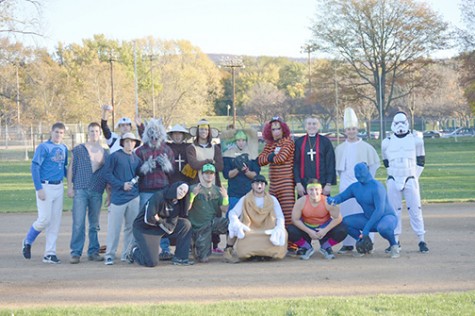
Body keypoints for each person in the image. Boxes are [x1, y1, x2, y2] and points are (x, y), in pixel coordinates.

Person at [327, 162, 400, 259]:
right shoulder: (355, 187)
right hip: (368, 217)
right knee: (345, 222)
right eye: (357, 174)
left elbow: (379, 210)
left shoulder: (377, 187)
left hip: (385, 218)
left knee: (383, 228)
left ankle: (394, 245)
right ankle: (363, 243)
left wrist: (366, 229)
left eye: (362, 173)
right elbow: (342, 196)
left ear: (368, 172)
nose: (359, 176)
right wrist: (333, 199)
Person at [334, 108, 380, 254]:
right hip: (346, 185)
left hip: (363, 186)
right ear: (345, 130)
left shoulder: (366, 147)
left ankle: (368, 243)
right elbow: (338, 168)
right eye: (348, 129)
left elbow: (373, 165)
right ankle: (348, 244)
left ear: (357, 129)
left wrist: (367, 182)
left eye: (353, 129)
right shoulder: (340, 148)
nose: (351, 131)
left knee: (366, 213)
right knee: (346, 215)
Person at [382, 111, 429, 253]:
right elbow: (386, 162)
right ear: (393, 124)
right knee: (394, 210)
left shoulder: (416, 140)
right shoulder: (387, 142)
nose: (400, 126)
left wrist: (414, 176)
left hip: (410, 177)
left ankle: (421, 240)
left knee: (415, 209)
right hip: (393, 178)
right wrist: (394, 175)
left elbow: (421, 160)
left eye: (403, 122)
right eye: (397, 123)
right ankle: (395, 241)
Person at [22, 122, 68, 264]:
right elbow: (35, 167)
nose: (58, 135)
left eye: (61, 133)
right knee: (44, 219)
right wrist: (39, 188)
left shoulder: (64, 148)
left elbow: (63, 169)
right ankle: (28, 240)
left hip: (59, 186)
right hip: (45, 186)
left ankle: (49, 253)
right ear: (51, 132)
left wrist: (74, 180)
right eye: (56, 132)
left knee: (55, 222)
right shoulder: (44, 147)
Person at [67, 122, 108, 264]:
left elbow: (107, 175)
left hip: (97, 190)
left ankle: (93, 251)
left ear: (100, 133)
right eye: (91, 131)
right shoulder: (79, 149)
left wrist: (109, 193)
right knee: (78, 222)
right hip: (81, 188)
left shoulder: (104, 152)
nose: (94, 134)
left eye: (97, 131)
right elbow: (71, 168)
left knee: (94, 224)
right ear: (87, 132)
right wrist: (70, 187)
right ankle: (76, 252)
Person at [127, 182, 194, 267]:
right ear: (175, 187)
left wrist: (159, 219)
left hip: (160, 228)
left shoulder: (177, 204)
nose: (182, 192)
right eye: (180, 189)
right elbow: (149, 219)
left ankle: (180, 258)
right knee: (152, 262)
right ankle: (134, 251)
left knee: (185, 224)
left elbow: (170, 228)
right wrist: (162, 222)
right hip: (145, 229)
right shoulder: (159, 196)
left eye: (184, 192)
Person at [135, 119, 175, 261]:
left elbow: (172, 173)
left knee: (162, 219)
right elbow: (136, 173)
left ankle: (164, 248)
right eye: (151, 137)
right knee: (145, 219)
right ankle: (143, 247)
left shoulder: (167, 150)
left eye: (156, 137)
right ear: (146, 136)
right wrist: (145, 168)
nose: (153, 139)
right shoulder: (140, 151)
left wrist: (167, 166)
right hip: (146, 190)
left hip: (162, 190)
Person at [226, 175, 287, 262]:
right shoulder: (245, 199)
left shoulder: (273, 199)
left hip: (268, 230)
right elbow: (233, 213)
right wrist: (236, 222)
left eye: (262, 183)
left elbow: (280, 216)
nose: (259, 186)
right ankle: (231, 250)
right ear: (252, 185)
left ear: (265, 185)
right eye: (256, 183)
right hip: (250, 230)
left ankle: (266, 254)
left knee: (283, 234)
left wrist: (279, 227)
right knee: (240, 237)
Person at [186, 119, 224, 254]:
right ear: (197, 131)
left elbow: (220, 166)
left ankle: (215, 243)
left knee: (216, 212)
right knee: (197, 213)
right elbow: (193, 164)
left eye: (206, 129)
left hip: (213, 184)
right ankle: (194, 243)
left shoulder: (215, 148)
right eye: (201, 129)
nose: (204, 132)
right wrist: (209, 161)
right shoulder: (191, 148)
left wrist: (204, 163)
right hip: (197, 184)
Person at [103, 132, 142, 265]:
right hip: (118, 198)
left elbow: (138, 176)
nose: (129, 144)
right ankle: (109, 255)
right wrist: (121, 185)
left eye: (132, 141)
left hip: (133, 197)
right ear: (122, 143)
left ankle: (126, 253)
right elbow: (107, 174)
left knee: (131, 228)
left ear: (135, 143)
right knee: (114, 228)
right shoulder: (115, 156)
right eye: (126, 141)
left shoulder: (137, 159)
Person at [287, 179, 347, 260]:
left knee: (343, 229)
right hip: (307, 229)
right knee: (289, 230)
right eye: (311, 190)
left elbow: (338, 218)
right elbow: (295, 219)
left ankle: (326, 246)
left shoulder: (327, 201)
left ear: (321, 190)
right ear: (307, 191)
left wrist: (325, 230)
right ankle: (306, 247)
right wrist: (309, 231)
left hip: (323, 229)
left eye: (316, 189)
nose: (314, 192)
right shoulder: (301, 201)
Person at [187, 163, 229, 263]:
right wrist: (192, 196)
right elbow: (186, 208)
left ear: (214, 175)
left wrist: (225, 197)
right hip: (198, 226)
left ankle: (229, 249)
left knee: (232, 225)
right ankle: (194, 245)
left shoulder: (217, 190)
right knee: (203, 259)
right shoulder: (193, 188)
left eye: (211, 173)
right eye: (206, 173)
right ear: (201, 175)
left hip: (212, 223)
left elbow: (224, 209)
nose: (209, 175)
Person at [258, 116, 295, 227]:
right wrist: (271, 156)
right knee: (273, 215)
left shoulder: (288, 143)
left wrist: (269, 157)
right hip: (273, 184)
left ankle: (291, 243)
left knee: (288, 215)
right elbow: (260, 160)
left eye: (278, 129)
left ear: (283, 129)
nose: (276, 132)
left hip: (286, 183)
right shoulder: (269, 144)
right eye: (273, 129)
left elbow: (281, 158)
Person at [294, 116, 336, 197]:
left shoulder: (325, 142)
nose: (312, 126)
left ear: (319, 126)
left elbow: (330, 163)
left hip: (322, 184)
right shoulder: (299, 142)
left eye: (314, 124)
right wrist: (298, 183)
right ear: (305, 126)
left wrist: (328, 184)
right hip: (304, 185)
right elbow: (296, 164)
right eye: (309, 124)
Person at [222, 129, 260, 211]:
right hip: (234, 193)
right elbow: (227, 175)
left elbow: (256, 175)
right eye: (238, 140)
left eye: (243, 140)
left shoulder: (253, 155)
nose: (241, 143)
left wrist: (246, 171)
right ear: (235, 141)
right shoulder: (228, 155)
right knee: (233, 217)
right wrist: (238, 169)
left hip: (249, 193)